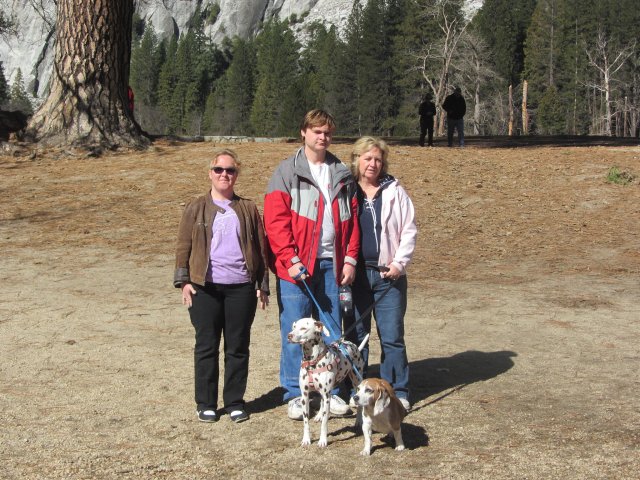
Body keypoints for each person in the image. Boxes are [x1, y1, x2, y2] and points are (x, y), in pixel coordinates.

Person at [263, 109, 360, 420]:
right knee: (296, 331)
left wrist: (350, 259)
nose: (323, 137)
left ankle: (333, 393)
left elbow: (353, 220)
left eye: (328, 132)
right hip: (296, 269)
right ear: (303, 132)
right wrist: (290, 259)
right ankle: (295, 394)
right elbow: (275, 222)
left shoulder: (342, 171)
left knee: (331, 332)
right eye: (317, 131)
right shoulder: (286, 172)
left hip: (333, 264)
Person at [174, 148, 270, 424]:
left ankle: (235, 402)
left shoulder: (248, 208)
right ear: (210, 173)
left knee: (238, 346)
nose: (224, 175)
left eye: (230, 170)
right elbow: (183, 245)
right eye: (219, 170)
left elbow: (261, 248)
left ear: (237, 175)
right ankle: (205, 403)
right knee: (206, 345)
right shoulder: (196, 207)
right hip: (205, 287)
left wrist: (262, 284)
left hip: (241, 287)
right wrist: (183, 281)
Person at [346, 136, 417, 411]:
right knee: (356, 338)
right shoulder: (347, 189)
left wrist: (399, 264)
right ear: (357, 160)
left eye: (377, 159)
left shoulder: (395, 190)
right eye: (367, 158)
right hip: (355, 276)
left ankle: (396, 390)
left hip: (389, 275)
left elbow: (409, 229)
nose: (373, 164)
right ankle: (356, 390)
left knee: (392, 336)